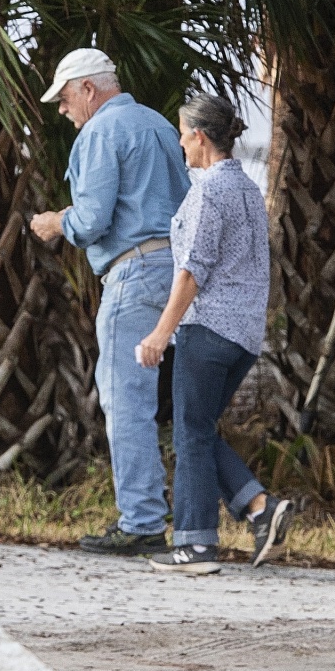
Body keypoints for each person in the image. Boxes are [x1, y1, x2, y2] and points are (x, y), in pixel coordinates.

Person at [29, 48, 189, 555]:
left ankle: (142, 523)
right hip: (177, 273)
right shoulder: (161, 125)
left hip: (135, 273)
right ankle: (205, 517)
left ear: (88, 90)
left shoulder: (100, 132)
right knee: (179, 403)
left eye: (64, 99)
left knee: (127, 400)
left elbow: (93, 218)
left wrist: (57, 222)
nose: (63, 111)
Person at [136, 92, 293, 574]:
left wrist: (160, 334)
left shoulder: (208, 193)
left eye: (183, 133)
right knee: (197, 429)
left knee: (189, 433)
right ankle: (258, 507)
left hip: (207, 329)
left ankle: (195, 546)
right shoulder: (246, 188)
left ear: (200, 137)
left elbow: (191, 273)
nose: (181, 143)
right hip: (244, 335)